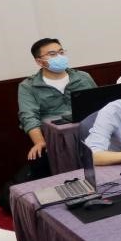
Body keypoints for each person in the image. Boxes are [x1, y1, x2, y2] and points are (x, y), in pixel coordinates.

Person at [18, 38, 97, 172]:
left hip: (90, 132)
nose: (59, 57)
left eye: (61, 52)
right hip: (57, 138)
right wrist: (39, 142)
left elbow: (100, 105)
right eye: (52, 54)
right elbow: (28, 117)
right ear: (39, 61)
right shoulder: (28, 86)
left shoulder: (83, 77)